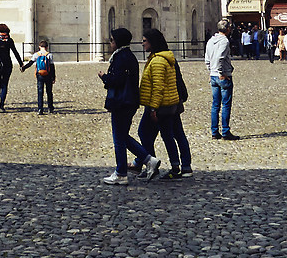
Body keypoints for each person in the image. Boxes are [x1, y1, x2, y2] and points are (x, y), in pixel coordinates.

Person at [101, 27, 160, 184]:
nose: (110, 43)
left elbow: (117, 81)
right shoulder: (129, 56)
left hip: (122, 102)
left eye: (112, 40)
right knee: (122, 136)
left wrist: (104, 77)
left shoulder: (120, 57)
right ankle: (148, 160)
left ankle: (121, 173)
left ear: (117, 42)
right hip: (129, 101)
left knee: (119, 138)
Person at [137, 30, 192, 177]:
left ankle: (159, 165)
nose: (142, 43)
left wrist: (153, 108)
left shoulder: (158, 61)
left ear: (152, 42)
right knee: (175, 134)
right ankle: (184, 166)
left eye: (144, 40)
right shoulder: (165, 57)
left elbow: (158, 87)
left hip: (162, 105)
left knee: (154, 133)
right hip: (171, 101)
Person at [205, 18, 238, 140]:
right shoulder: (224, 41)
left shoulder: (210, 41)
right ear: (227, 29)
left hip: (213, 76)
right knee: (225, 104)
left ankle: (214, 131)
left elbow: (207, 59)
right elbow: (220, 57)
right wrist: (221, 72)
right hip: (222, 76)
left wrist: (211, 71)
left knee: (215, 105)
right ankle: (225, 131)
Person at [0, 24, 27, 110]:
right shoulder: (9, 40)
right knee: (4, 84)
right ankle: (2, 104)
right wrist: (21, 63)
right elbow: (15, 52)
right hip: (7, 65)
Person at [31, 42, 57, 112]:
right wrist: (53, 77)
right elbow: (52, 66)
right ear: (47, 47)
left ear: (39, 47)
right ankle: (50, 107)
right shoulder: (49, 55)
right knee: (49, 91)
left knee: (40, 91)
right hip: (48, 74)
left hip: (39, 74)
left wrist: (23, 68)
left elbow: (30, 63)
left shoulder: (36, 54)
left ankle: (40, 108)